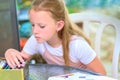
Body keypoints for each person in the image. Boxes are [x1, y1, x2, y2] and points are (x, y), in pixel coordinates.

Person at [5, 0, 106, 75]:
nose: (35, 31)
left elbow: (103, 75)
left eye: (42, 26)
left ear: (59, 25)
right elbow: (20, 61)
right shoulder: (37, 40)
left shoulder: (77, 46)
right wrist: (10, 52)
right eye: (33, 25)